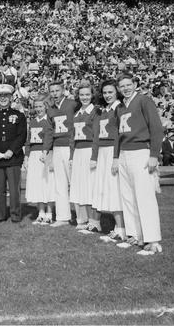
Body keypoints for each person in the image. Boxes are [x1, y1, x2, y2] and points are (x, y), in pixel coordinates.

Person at [116, 72, 164, 255]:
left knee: (145, 197)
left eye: (128, 85)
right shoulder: (120, 107)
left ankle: (153, 240)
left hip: (140, 152)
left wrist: (154, 155)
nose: (126, 88)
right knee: (128, 196)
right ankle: (135, 235)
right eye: (122, 86)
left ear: (135, 84)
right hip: (124, 153)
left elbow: (156, 128)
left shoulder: (144, 100)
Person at [0, 84, 27, 223]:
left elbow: (21, 135)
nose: (3, 98)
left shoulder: (19, 115)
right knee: (0, 189)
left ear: (10, 98)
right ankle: (1, 214)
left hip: (13, 158)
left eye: (6, 96)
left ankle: (15, 214)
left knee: (14, 189)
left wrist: (11, 150)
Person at [91, 80, 126, 243]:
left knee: (115, 189)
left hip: (113, 150)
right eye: (104, 92)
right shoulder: (104, 110)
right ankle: (116, 227)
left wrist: (116, 157)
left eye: (110, 92)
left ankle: (121, 228)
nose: (107, 95)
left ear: (117, 92)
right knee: (107, 188)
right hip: (104, 152)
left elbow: (120, 134)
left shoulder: (119, 108)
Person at [69, 81, 101, 233]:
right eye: (82, 95)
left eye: (87, 94)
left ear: (92, 95)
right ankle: (81, 219)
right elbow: (72, 137)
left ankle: (94, 221)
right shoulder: (77, 112)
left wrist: (94, 156)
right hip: (78, 152)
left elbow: (96, 136)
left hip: (89, 150)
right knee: (78, 185)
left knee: (90, 185)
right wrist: (71, 155)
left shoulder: (95, 111)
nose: (84, 97)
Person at [47, 80, 78, 227]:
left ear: (63, 90)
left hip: (70, 146)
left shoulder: (72, 104)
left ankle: (82, 218)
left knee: (75, 182)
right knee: (60, 184)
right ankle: (63, 217)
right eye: (52, 91)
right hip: (58, 147)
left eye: (57, 91)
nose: (54, 94)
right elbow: (50, 131)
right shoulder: (51, 109)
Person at [24, 95, 55, 225]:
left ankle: (49, 213)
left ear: (45, 106)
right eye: (36, 106)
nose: (38, 109)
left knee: (47, 184)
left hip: (45, 154)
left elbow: (49, 137)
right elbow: (28, 141)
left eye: (40, 106)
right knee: (37, 184)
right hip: (34, 155)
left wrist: (46, 152)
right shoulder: (32, 122)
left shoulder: (49, 121)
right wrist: (26, 157)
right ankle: (41, 212)